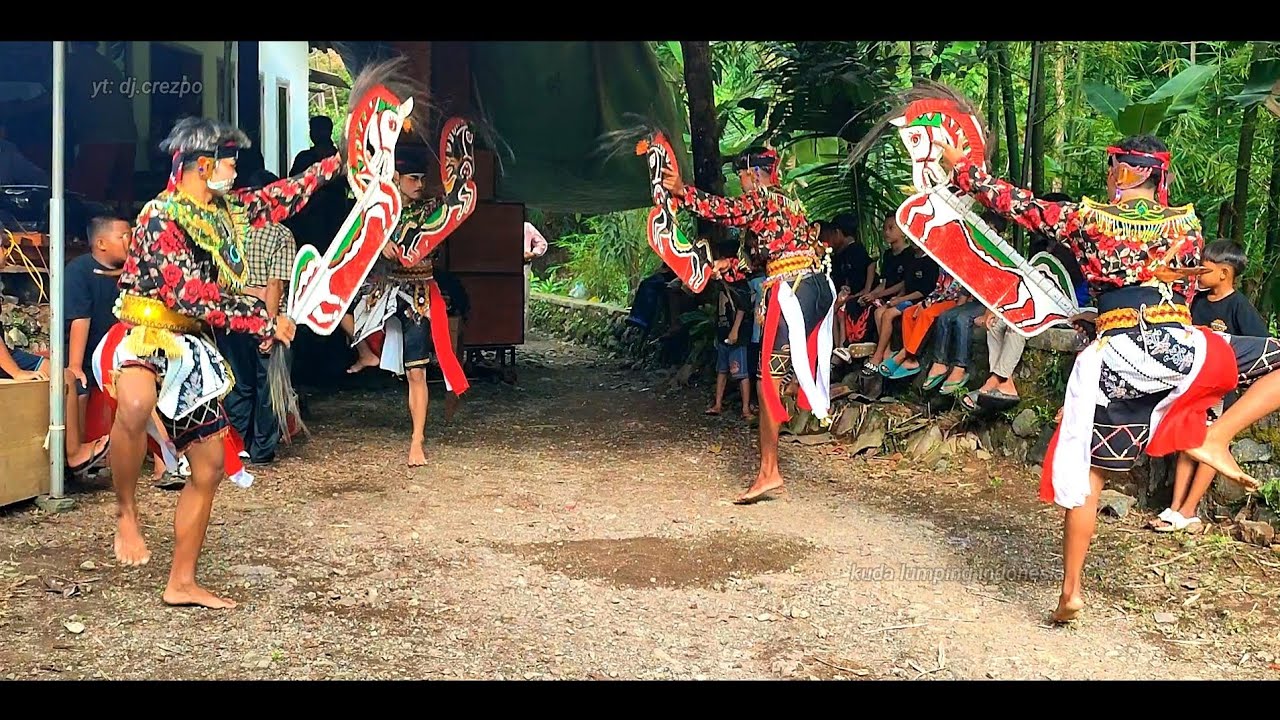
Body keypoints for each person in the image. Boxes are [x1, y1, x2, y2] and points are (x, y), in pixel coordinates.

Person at [935, 134, 1280, 624]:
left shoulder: (1089, 218)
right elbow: (1161, 291)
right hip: (1179, 350)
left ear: (1127, 172)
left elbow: (1018, 204)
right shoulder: (1188, 225)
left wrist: (962, 168)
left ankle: (1071, 592)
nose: (1109, 174)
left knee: (1090, 475)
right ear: (1159, 174)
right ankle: (1216, 437)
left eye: (1113, 166)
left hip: (1118, 359)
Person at [98, 117, 340, 609]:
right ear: (203, 166)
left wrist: (339, 165)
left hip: (192, 345)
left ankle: (181, 581)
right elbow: (188, 292)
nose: (236, 170)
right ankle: (126, 511)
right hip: (148, 329)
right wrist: (266, 320)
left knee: (207, 466)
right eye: (230, 162)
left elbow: (280, 198)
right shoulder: (159, 216)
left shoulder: (224, 211)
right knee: (137, 401)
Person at [661, 146, 834, 504]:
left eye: (741, 177)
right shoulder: (790, 204)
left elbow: (724, 211)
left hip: (793, 292)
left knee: (767, 382)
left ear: (755, 174)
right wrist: (726, 269)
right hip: (816, 289)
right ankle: (794, 415)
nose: (740, 184)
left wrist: (682, 191)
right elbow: (761, 258)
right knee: (781, 375)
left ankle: (769, 471)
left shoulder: (762, 198)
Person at [343, 142, 473, 466]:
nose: (418, 184)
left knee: (417, 373)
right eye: (412, 178)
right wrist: (379, 239)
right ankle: (367, 353)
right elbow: (357, 230)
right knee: (338, 314)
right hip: (385, 288)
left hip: (418, 293)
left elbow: (456, 203)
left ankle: (418, 439)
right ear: (397, 177)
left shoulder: (432, 208)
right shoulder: (379, 210)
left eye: (421, 178)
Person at [1152, 239, 1270, 533]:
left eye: (1204, 269)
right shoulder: (1197, 302)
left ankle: (1190, 509)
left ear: (1224, 273)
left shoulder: (1239, 306)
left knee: (1210, 443)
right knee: (1187, 445)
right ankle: (1175, 507)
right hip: (1194, 387)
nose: (1197, 274)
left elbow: (1263, 345)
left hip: (1221, 392)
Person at [218, 164, 299, 465]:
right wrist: (269, 324)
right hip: (267, 316)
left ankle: (237, 445)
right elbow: (275, 284)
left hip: (231, 315)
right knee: (270, 384)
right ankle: (262, 450)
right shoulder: (279, 233)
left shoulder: (228, 234)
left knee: (237, 382)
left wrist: (246, 290)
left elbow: (220, 281)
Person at [708, 270, 752, 419]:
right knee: (721, 370)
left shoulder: (740, 285)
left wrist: (735, 331)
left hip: (737, 337)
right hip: (722, 333)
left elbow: (742, 308)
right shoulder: (720, 285)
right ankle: (718, 404)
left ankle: (746, 409)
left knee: (741, 372)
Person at [523, 216, 548, 329]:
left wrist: (532, 254)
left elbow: (542, 243)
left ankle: (521, 333)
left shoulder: (526, 227)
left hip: (523, 266)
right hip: (503, 267)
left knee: (523, 299)